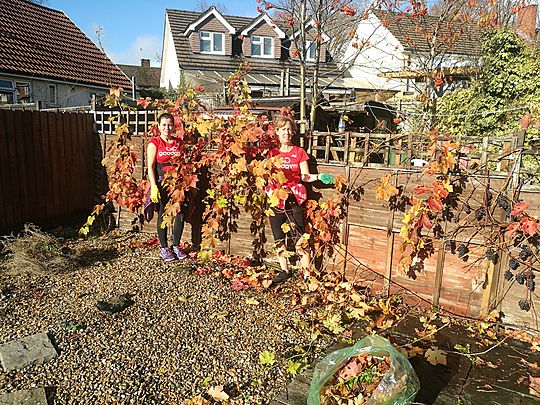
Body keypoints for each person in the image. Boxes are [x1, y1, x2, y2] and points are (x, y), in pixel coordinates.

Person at [266, 116, 334, 284]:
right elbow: (267, 177)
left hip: (294, 200)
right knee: (278, 238)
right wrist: (269, 192)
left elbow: (305, 176)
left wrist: (319, 177)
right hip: (276, 201)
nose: (286, 133)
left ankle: (306, 274)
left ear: (293, 132)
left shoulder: (299, 152)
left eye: (289, 129)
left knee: (300, 238)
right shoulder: (272, 153)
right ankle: (284, 270)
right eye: (283, 130)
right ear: (277, 132)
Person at [146, 112, 187, 262]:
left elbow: (183, 163)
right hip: (162, 183)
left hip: (177, 183)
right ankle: (164, 248)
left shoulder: (179, 143)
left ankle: (176, 245)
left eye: (169, 124)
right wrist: (154, 186)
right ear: (158, 126)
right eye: (163, 124)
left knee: (180, 213)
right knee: (163, 213)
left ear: (173, 126)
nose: (167, 128)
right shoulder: (154, 143)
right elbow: (150, 167)